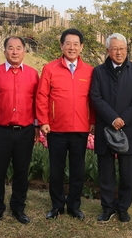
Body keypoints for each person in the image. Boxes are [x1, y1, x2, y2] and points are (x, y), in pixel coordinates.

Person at [0, 36, 40, 227]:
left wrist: (37, 126)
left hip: (25, 131)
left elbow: (37, 102)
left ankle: (18, 209)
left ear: (24, 51)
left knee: (22, 172)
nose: (15, 52)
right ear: (5, 51)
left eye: (19, 48)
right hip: (0, 131)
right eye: (11, 48)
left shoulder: (33, 75)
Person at [36, 28, 95, 221]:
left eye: (76, 44)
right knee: (56, 169)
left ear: (81, 47)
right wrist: (43, 120)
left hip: (80, 129)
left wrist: (92, 121)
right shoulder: (50, 68)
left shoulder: (89, 71)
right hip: (56, 129)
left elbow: (93, 99)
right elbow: (42, 96)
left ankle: (74, 206)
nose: (72, 47)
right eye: (68, 43)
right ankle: (57, 205)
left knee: (78, 170)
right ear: (61, 46)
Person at [90, 33, 132, 223]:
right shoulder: (98, 71)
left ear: (127, 50)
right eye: (114, 48)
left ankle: (123, 207)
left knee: (127, 173)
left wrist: (124, 119)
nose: (119, 52)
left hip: (128, 128)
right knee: (106, 171)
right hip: (106, 126)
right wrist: (113, 118)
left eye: (122, 48)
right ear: (107, 51)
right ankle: (107, 207)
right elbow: (95, 97)